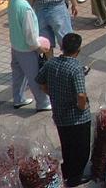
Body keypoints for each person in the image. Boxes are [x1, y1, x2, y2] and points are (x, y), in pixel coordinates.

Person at [36, 33, 91, 187]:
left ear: (62, 47)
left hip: (60, 115)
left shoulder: (51, 63)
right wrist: (83, 106)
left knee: (67, 146)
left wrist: (52, 93)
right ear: (78, 49)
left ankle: (66, 171)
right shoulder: (75, 68)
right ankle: (75, 178)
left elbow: (40, 82)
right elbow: (80, 94)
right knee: (81, 150)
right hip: (78, 118)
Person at [9, 0, 52, 111]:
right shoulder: (25, 8)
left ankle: (18, 98)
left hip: (15, 45)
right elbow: (30, 34)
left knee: (18, 75)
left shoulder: (12, 0)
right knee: (34, 78)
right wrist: (38, 48)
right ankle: (43, 103)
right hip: (27, 49)